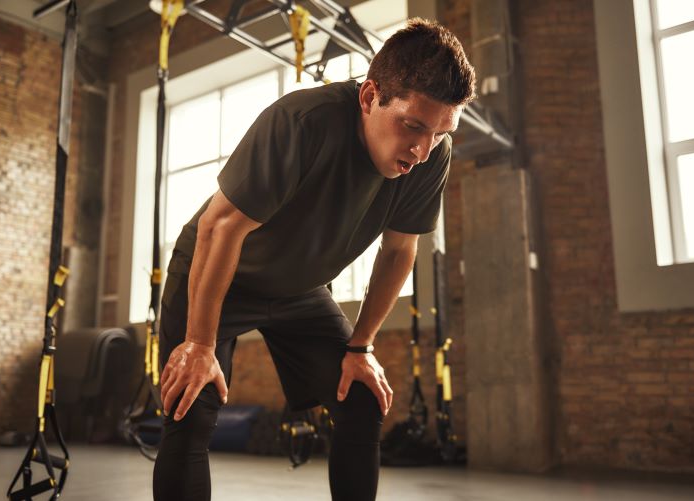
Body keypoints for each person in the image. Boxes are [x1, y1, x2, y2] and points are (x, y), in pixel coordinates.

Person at [152, 17, 475, 501]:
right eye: (412, 126)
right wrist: (199, 343)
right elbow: (220, 226)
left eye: (439, 132)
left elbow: (399, 250)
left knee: (362, 398)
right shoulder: (302, 122)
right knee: (189, 405)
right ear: (369, 98)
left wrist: (361, 347)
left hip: (300, 290)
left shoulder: (431, 152)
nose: (423, 149)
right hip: (219, 271)